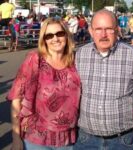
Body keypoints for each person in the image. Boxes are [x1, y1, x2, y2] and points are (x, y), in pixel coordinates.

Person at [73, 9, 133, 150]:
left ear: (117, 30)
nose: (103, 35)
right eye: (98, 29)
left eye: (109, 29)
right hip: (86, 140)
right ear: (90, 31)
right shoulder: (80, 55)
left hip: (123, 141)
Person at [7, 17, 81, 150]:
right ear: (44, 40)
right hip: (36, 137)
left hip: (67, 138)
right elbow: (16, 99)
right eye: (49, 36)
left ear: (66, 35)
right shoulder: (35, 59)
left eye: (59, 34)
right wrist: (16, 138)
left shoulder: (75, 60)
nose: (55, 39)